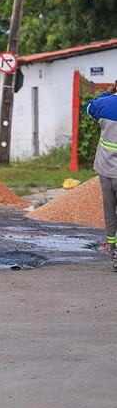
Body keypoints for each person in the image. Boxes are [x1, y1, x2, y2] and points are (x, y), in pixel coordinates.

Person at [85, 80, 117, 271]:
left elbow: (88, 107)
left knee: (110, 213)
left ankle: (114, 253)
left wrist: (107, 94)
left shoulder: (104, 105)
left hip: (106, 169)